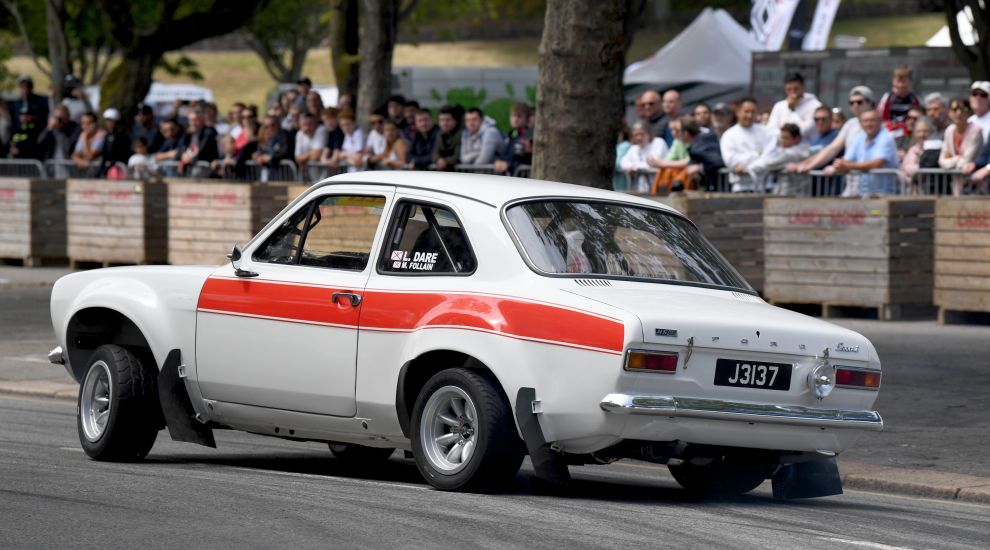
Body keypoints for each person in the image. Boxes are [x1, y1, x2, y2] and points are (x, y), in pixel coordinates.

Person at [792, 85, 876, 173]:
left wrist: (842, 166)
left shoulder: (879, 126)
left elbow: (876, 159)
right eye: (851, 103)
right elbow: (832, 149)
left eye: (859, 102)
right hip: (852, 182)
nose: (855, 105)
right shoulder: (850, 124)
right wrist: (808, 166)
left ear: (870, 103)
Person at [825, 110, 900, 196]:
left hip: (885, 194)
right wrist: (838, 165)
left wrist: (847, 166)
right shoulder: (859, 138)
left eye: (872, 120)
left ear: (880, 122)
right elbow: (846, 160)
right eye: (865, 121)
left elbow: (876, 163)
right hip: (864, 194)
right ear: (860, 123)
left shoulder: (886, 138)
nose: (869, 124)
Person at [720, 98, 774, 192]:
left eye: (753, 112)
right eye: (746, 112)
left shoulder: (766, 131)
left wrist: (747, 166)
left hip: (766, 185)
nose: (750, 115)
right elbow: (731, 160)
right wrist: (757, 155)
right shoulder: (729, 135)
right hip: (741, 187)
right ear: (738, 112)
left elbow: (770, 156)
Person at [942, 98, 983, 196]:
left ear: (969, 112)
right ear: (949, 112)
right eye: (955, 109)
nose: (959, 113)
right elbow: (942, 161)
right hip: (956, 185)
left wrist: (952, 159)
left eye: (963, 109)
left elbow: (966, 160)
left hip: (975, 184)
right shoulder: (949, 131)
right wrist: (957, 159)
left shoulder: (976, 130)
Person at [766, 72, 822, 138]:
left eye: (796, 89)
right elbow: (770, 131)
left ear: (803, 87)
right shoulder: (779, 106)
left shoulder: (815, 106)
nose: (793, 93)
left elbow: (803, 131)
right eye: (789, 89)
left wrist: (792, 109)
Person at [619, 121, 668, 193]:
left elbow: (653, 163)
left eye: (642, 134)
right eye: (636, 135)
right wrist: (632, 167)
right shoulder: (634, 148)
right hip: (639, 189)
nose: (639, 137)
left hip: (658, 188)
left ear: (649, 133)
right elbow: (623, 163)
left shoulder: (658, 142)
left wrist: (635, 166)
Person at [680, 116, 724, 190]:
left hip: (718, 187)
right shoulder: (699, 142)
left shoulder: (698, 147)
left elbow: (718, 162)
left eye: (678, 131)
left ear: (686, 133)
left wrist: (699, 168)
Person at [650, 118, 693, 193]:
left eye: (677, 130)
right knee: (663, 170)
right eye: (671, 130)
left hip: (691, 176)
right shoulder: (677, 141)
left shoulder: (693, 140)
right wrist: (658, 162)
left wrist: (662, 163)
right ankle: (658, 193)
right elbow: (668, 159)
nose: (674, 133)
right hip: (679, 173)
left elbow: (690, 161)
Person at [901, 116, 941, 190]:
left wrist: (918, 170)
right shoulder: (912, 150)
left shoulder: (937, 147)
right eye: (918, 131)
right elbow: (905, 170)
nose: (922, 134)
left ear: (931, 131)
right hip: (914, 192)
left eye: (925, 131)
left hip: (933, 191)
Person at [494, 102, 533, 176]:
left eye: (519, 116)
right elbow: (503, 155)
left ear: (527, 119)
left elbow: (527, 161)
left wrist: (509, 165)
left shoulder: (529, 135)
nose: (515, 119)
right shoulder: (511, 134)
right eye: (513, 116)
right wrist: (498, 161)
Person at [177, 109, 220, 175]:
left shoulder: (209, 132)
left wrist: (190, 157)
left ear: (202, 120)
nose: (192, 123)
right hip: (189, 170)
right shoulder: (187, 133)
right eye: (190, 120)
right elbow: (181, 147)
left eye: (195, 120)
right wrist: (183, 154)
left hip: (205, 170)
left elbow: (202, 148)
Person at [99, 108, 131, 175]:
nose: (108, 123)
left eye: (110, 121)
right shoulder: (107, 135)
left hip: (119, 166)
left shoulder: (123, 136)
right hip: (108, 166)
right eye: (107, 121)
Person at [433, 105, 462, 171]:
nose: (444, 123)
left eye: (448, 120)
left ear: (456, 121)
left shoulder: (461, 134)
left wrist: (446, 161)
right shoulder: (439, 134)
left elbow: (458, 155)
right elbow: (434, 153)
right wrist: (438, 160)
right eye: (441, 120)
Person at [613, 124, 632, 191]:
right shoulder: (616, 145)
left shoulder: (625, 145)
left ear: (623, 133)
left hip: (620, 185)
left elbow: (617, 164)